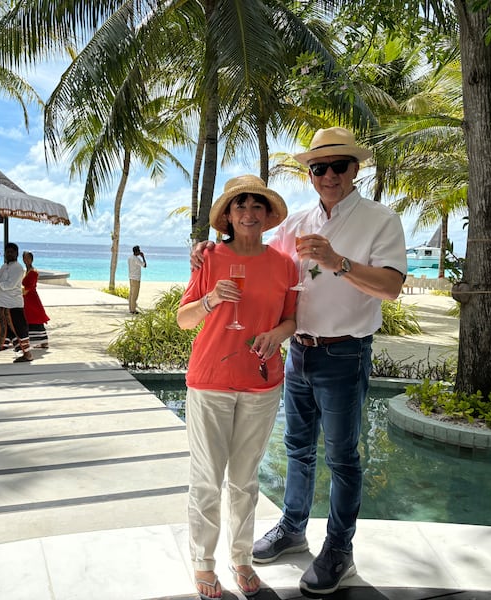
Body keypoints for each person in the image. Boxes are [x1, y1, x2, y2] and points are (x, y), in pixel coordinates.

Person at [191, 127, 407, 595]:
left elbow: (390, 287)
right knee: (297, 449)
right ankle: (292, 528)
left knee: (343, 456)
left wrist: (339, 262)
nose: (328, 175)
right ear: (310, 174)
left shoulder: (380, 220)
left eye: (338, 166)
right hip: (297, 353)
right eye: (318, 167)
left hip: (345, 352)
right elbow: (259, 257)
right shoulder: (297, 221)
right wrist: (208, 249)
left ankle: (339, 549)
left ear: (355, 169)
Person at [178, 175, 298, 600]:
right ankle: (204, 562)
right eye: (240, 206)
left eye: (256, 206)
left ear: (267, 217)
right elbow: (184, 319)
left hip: (261, 382)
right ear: (227, 216)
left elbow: (291, 319)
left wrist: (278, 335)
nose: (248, 213)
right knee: (207, 478)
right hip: (211, 379)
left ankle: (241, 557)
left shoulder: (284, 263)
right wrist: (210, 299)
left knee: (245, 479)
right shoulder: (209, 257)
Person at [22, 251, 50, 349]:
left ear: (31, 259)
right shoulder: (27, 270)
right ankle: (39, 341)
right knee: (30, 318)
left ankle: (44, 342)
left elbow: (30, 286)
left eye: (28, 258)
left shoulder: (33, 271)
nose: (26, 260)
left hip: (31, 297)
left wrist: (21, 293)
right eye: (24, 258)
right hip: (27, 297)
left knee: (36, 318)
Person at [127, 245, 147, 314]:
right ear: (137, 251)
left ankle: (130, 308)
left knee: (131, 294)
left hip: (131, 277)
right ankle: (133, 310)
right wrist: (143, 257)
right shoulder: (136, 259)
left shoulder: (130, 257)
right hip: (136, 278)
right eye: (139, 250)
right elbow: (144, 265)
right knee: (135, 295)